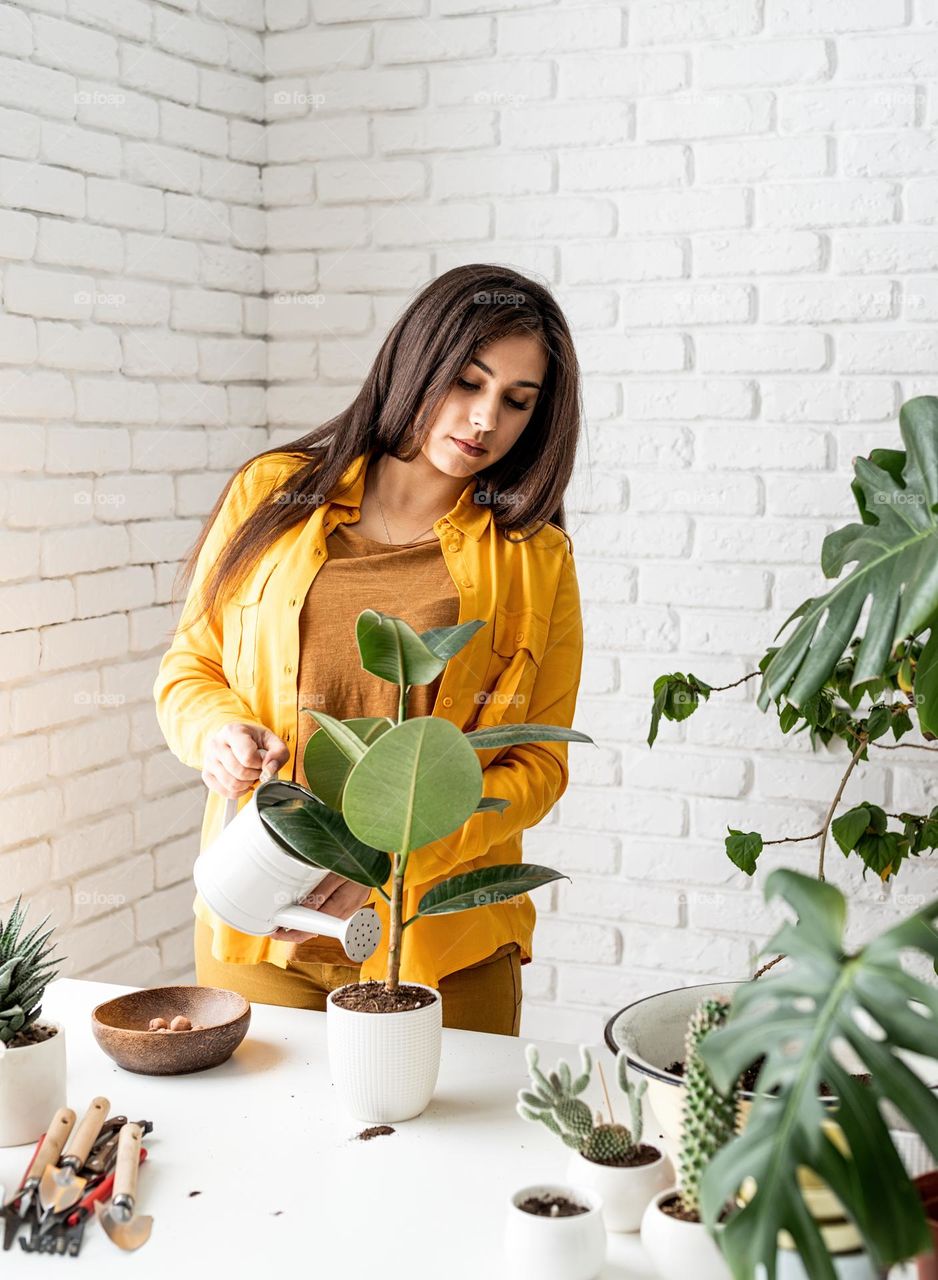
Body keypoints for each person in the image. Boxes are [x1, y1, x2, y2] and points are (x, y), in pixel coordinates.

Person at [153, 263, 585, 1036]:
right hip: (261, 922)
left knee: (450, 1158)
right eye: (467, 382)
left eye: (517, 402)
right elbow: (192, 667)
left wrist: (394, 862)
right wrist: (217, 733)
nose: (484, 418)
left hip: (443, 945)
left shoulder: (534, 558)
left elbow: (539, 764)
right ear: (416, 360)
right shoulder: (274, 494)